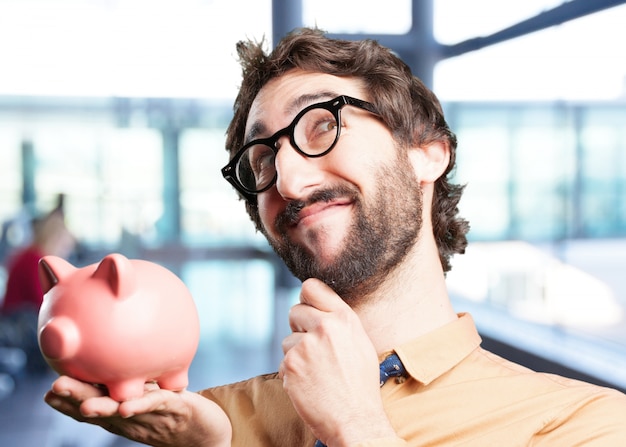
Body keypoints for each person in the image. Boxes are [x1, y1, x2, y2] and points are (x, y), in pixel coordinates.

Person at [43, 28, 626, 446]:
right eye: (262, 162)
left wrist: (359, 429)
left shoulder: (583, 425)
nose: (289, 179)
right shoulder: (205, 422)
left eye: (322, 123)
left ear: (427, 152)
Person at [1, 195, 75, 372]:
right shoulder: (35, 259)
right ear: (55, 239)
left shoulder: (30, 254)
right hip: (17, 321)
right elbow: (43, 300)